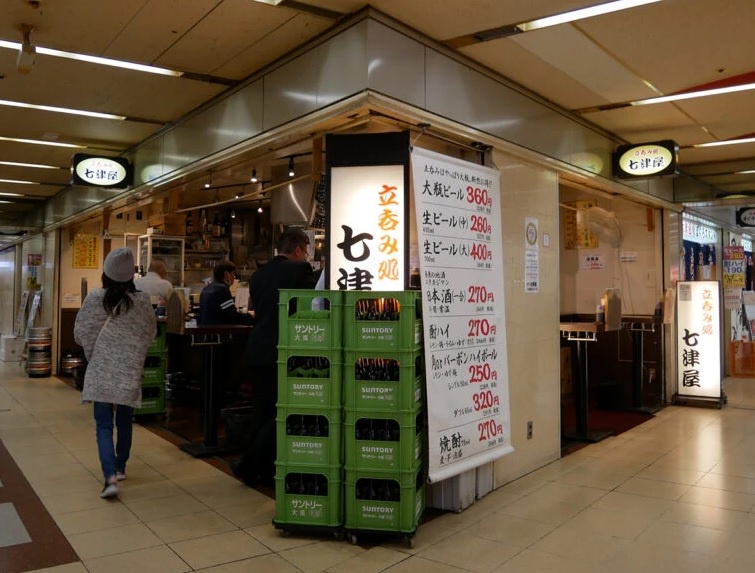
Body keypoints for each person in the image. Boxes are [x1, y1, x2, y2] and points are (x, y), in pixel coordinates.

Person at [234, 228, 318, 486]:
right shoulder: (299, 270)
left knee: (263, 410)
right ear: (298, 250)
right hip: (282, 349)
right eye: (306, 252)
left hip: (257, 348)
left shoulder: (258, 275)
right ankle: (251, 465)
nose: (306, 257)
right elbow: (314, 304)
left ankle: (263, 470)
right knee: (281, 411)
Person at [74, 247, 156, 498]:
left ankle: (109, 477)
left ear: (106, 273)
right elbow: (149, 334)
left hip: (101, 370)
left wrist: (95, 354)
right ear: (131, 275)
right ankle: (120, 467)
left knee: (103, 425)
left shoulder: (95, 298)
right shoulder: (143, 302)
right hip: (129, 371)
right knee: (124, 422)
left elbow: (81, 333)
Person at [198, 261, 254, 325]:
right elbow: (233, 316)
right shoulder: (222, 289)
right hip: (219, 330)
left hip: (206, 329)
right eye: (233, 273)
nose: (234, 277)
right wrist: (250, 316)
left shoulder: (206, 288)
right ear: (226, 274)